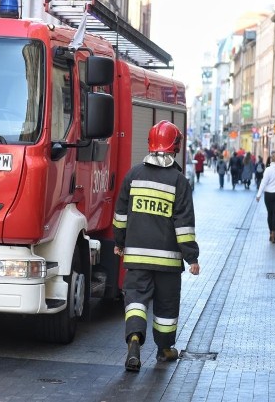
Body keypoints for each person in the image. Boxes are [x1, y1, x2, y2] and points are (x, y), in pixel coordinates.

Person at [113, 121, 200, 372]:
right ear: (175, 147)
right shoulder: (179, 182)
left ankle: (134, 342)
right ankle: (164, 350)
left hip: (137, 258)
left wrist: (120, 243)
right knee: (166, 307)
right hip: (168, 263)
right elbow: (183, 225)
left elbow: (121, 215)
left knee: (136, 302)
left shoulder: (133, 175)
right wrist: (191, 258)